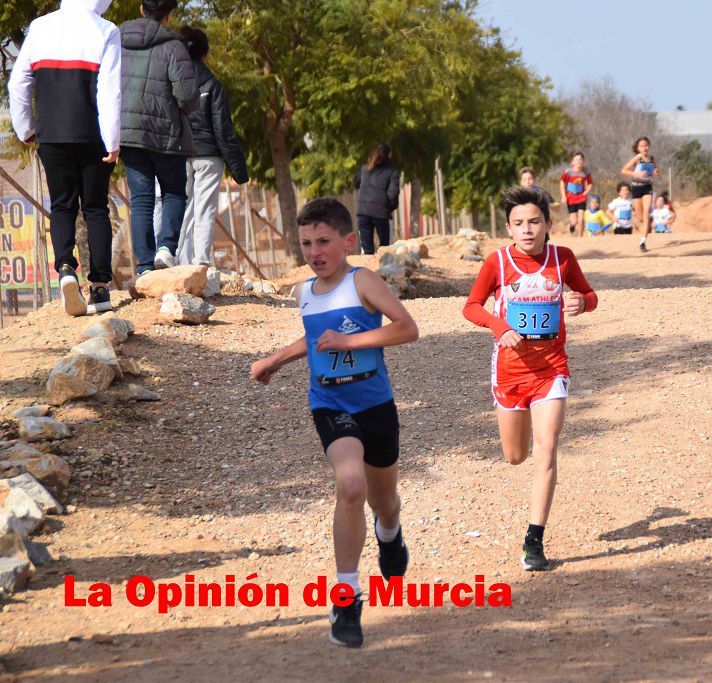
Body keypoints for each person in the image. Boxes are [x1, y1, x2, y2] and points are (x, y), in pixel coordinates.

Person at [250, 198, 418, 648]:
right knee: (350, 487)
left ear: (348, 241)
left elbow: (406, 328)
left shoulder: (362, 280)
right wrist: (275, 359)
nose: (314, 251)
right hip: (330, 404)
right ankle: (346, 597)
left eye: (323, 241)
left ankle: (390, 531)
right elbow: (314, 341)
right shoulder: (304, 292)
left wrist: (352, 338)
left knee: (384, 501)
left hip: (376, 405)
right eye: (306, 243)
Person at [462, 186, 598, 571]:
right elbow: (471, 306)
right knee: (515, 455)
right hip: (509, 372)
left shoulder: (563, 258)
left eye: (534, 221)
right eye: (519, 223)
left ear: (548, 224)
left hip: (551, 370)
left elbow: (589, 294)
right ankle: (515, 447)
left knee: (547, 448)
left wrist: (581, 302)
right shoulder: (498, 263)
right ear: (508, 229)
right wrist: (498, 327)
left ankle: (534, 540)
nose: (527, 229)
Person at [8, 0, 122, 316]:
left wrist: (26, 128)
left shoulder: (41, 27)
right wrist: (112, 139)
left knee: (61, 205)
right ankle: (100, 289)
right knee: (96, 207)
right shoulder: (106, 30)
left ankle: (66, 269)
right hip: (93, 135)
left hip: (51, 135)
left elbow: (18, 82)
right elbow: (110, 91)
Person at [119, 0, 198, 275]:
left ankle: (143, 265)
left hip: (129, 132)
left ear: (142, 9)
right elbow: (187, 97)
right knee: (175, 191)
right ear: (168, 15)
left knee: (141, 198)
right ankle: (165, 249)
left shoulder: (117, 43)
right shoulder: (174, 46)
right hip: (167, 134)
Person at [176, 26, 249, 266]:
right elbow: (223, 130)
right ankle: (202, 264)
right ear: (204, 54)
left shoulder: (173, 83)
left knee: (183, 209)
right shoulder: (213, 85)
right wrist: (239, 169)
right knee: (204, 209)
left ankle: (181, 265)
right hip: (209, 157)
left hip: (179, 153)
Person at [354, 143, 400, 255]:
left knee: (366, 250)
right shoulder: (392, 171)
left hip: (363, 211)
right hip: (381, 212)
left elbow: (356, 182)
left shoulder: (364, 169)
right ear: (389, 155)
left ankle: (366, 271)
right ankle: (385, 272)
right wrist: (390, 208)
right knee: (386, 249)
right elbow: (393, 193)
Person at [621, 136, 659, 253]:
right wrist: (636, 174)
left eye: (646, 145)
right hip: (637, 188)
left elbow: (656, 170)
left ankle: (643, 241)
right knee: (640, 216)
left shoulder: (652, 158)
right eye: (642, 146)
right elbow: (624, 171)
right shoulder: (638, 158)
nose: (645, 147)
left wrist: (656, 172)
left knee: (647, 211)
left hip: (647, 187)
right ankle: (643, 227)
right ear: (638, 148)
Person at [559, 152, 592, 236]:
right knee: (575, 221)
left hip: (581, 197)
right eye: (576, 160)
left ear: (583, 161)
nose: (578, 162)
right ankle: (571, 226)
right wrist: (563, 195)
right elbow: (562, 182)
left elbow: (590, 183)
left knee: (581, 219)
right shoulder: (568, 172)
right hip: (570, 197)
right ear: (573, 162)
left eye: (580, 159)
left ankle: (580, 236)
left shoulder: (586, 172)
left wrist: (587, 191)